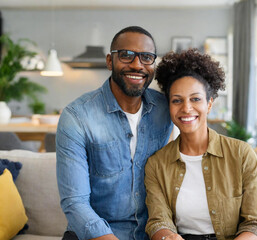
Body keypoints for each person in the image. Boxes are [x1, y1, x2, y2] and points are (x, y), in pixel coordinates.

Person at [56, 26, 173, 240]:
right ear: (110, 61)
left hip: (151, 232)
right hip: (94, 234)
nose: (137, 65)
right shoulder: (77, 116)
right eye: (126, 55)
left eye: (146, 57)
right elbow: (75, 202)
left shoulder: (165, 109)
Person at [144, 49, 257, 240]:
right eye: (177, 100)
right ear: (169, 106)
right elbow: (158, 221)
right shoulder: (156, 164)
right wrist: (167, 236)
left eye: (195, 99)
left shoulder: (241, 154)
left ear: (209, 104)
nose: (186, 108)